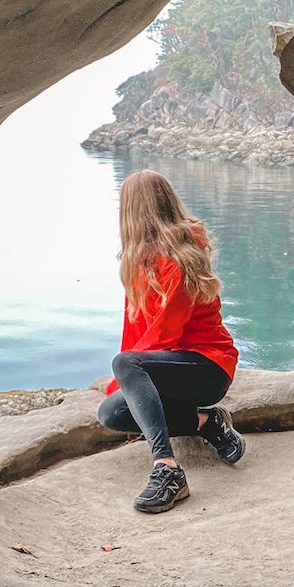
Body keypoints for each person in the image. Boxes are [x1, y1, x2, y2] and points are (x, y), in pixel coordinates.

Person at [98, 169, 246, 513]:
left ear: (132, 210)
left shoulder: (182, 256)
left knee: (124, 364)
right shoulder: (138, 259)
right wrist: (122, 384)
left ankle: (166, 468)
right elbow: (133, 330)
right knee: (112, 414)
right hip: (170, 368)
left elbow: (167, 332)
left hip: (207, 367)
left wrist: (127, 370)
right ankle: (208, 423)